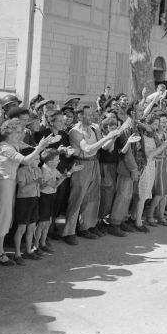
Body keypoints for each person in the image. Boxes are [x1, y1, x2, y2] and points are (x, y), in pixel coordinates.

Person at [0, 120, 55, 266]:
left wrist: (44, 145)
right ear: (8, 132)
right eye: (18, 131)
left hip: (10, 184)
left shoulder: (14, 144)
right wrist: (39, 147)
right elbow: (26, 160)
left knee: (6, 218)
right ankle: (0, 253)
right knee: (3, 218)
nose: (22, 134)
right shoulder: (4, 147)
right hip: (4, 184)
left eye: (22, 131)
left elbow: (31, 149)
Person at [62, 105, 121, 245]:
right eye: (88, 114)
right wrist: (109, 137)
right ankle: (68, 232)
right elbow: (87, 149)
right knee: (77, 199)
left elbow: (105, 147)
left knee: (93, 198)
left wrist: (112, 137)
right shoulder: (74, 132)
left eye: (92, 113)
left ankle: (86, 227)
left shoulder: (95, 128)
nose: (92, 116)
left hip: (95, 163)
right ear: (80, 116)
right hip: (81, 165)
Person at [37, 149, 82, 254]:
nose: (59, 161)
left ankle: (43, 243)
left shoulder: (53, 168)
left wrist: (71, 171)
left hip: (51, 196)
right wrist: (65, 175)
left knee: (48, 222)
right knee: (42, 223)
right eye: (57, 160)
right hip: (44, 198)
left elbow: (62, 176)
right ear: (49, 161)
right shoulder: (44, 170)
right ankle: (36, 245)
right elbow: (56, 184)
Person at [107, 105, 142, 236]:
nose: (142, 112)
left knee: (127, 196)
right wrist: (134, 169)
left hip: (131, 166)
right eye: (139, 111)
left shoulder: (133, 125)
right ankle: (114, 224)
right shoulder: (126, 128)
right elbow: (127, 153)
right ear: (132, 113)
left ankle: (121, 220)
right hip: (125, 167)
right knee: (122, 195)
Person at [13, 147, 44, 264]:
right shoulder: (21, 171)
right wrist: (36, 182)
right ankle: (17, 254)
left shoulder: (38, 170)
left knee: (31, 227)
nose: (38, 161)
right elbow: (22, 189)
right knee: (21, 228)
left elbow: (39, 187)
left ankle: (29, 251)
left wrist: (43, 183)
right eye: (36, 158)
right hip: (24, 201)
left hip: (35, 199)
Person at [97, 117, 121, 232]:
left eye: (115, 125)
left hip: (113, 167)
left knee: (110, 194)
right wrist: (112, 137)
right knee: (105, 194)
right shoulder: (103, 137)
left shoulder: (115, 137)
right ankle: (98, 220)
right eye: (111, 126)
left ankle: (103, 218)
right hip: (104, 167)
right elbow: (106, 147)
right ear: (105, 127)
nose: (114, 128)